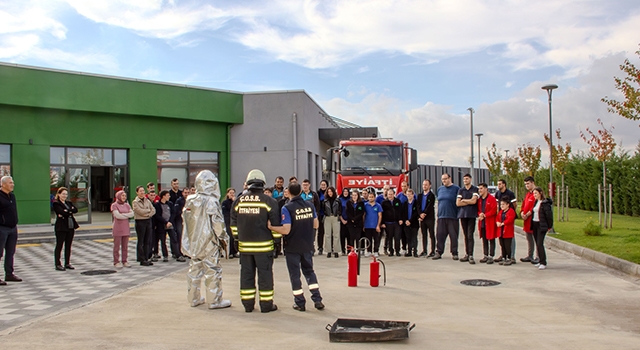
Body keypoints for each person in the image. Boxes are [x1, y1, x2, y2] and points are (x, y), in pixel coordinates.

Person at [230, 169, 281, 313]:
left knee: (246, 275)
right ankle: (266, 306)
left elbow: (233, 223)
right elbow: (275, 224)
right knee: (265, 276)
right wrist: (277, 243)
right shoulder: (269, 201)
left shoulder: (238, 201)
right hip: (264, 248)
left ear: (248, 183)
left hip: (245, 248)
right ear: (263, 184)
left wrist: (236, 239)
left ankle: (248, 305)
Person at [270, 182, 325, 312]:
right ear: (301, 191)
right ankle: (317, 300)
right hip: (307, 245)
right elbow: (316, 225)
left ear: (288, 192)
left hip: (292, 247)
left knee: (295, 275)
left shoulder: (287, 208)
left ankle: (300, 302)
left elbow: (286, 230)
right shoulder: (310, 205)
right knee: (310, 272)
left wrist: (271, 227)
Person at [182, 170, 231, 309]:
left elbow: (186, 222)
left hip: (194, 242)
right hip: (209, 242)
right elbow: (218, 224)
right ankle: (214, 300)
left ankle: (193, 298)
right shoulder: (212, 201)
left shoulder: (190, 200)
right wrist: (224, 240)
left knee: (194, 270)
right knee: (213, 270)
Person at [433, 173, 460, 260]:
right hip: (441, 216)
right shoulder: (440, 189)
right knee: (440, 235)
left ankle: (454, 253)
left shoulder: (456, 189)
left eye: (445, 179)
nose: (444, 181)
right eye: (442, 179)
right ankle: (439, 252)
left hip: (452, 216)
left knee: (453, 236)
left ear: (450, 178)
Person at [0, 176, 21, 285]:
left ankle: (9, 274)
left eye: (12, 182)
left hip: (13, 228)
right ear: (3, 184)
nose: (12, 184)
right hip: (2, 228)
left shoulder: (12, 196)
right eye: (10, 183)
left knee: (11, 252)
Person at [52, 187, 79, 271]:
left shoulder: (68, 202)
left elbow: (75, 210)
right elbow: (61, 212)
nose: (65, 196)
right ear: (59, 194)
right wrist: (68, 211)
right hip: (61, 227)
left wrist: (67, 211)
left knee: (68, 245)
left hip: (70, 226)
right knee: (59, 245)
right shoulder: (56, 203)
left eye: (66, 194)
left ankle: (67, 263)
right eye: (63, 194)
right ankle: (57, 264)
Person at [154, 190, 184, 262]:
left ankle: (177, 254)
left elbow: (173, 213)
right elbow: (157, 215)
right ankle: (165, 255)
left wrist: (170, 221)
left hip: (170, 224)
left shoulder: (170, 204)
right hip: (162, 225)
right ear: (163, 196)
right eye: (167, 195)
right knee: (163, 240)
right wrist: (165, 222)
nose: (169, 197)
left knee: (174, 239)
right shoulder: (157, 205)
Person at [456, 173, 479, 264]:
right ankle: (466, 254)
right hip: (463, 215)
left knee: (470, 235)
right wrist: (468, 201)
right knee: (465, 235)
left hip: (471, 215)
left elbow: (474, 201)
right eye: (464, 179)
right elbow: (458, 203)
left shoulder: (475, 189)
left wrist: (464, 200)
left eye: (467, 179)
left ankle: (471, 255)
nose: (465, 180)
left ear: (470, 179)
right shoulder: (461, 190)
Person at [494, 179, 517, 261]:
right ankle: (503, 255)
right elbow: (497, 205)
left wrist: (510, 212)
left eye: (500, 184)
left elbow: (514, 204)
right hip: (501, 215)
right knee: (502, 239)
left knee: (510, 238)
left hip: (508, 215)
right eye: (498, 184)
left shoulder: (510, 193)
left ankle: (511, 255)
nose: (498, 185)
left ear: (504, 184)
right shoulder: (498, 193)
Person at [133, 185, 156, 266]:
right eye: (140, 191)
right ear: (137, 192)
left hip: (148, 221)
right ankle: (141, 259)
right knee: (141, 241)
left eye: (143, 191)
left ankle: (146, 258)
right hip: (140, 222)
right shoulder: (135, 202)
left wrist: (148, 214)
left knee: (147, 240)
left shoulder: (147, 200)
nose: (142, 192)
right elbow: (139, 211)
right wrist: (148, 212)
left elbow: (153, 210)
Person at [531, 187, 553, 270]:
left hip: (541, 225)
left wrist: (549, 226)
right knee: (537, 243)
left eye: (536, 193)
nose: (534, 195)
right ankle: (540, 260)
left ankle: (543, 262)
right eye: (533, 193)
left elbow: (549, 216)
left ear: (540, 193)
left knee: (540, 243)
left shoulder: (545, 203)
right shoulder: (536, 202)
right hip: (535, 224)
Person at [111, 190, 133, 268]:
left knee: (125, 246)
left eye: (125, 196)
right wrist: (126, 215)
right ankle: (116, 261)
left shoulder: (127, 205)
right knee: (117, 246)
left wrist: (123, 214)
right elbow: (117, 216)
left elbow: (132, 214)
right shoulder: (114, 205)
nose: (124, 197)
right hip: (117, 228)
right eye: (122, 196)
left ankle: (125, 261)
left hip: (125, 227)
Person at [476, 183, 498, 264]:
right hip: (482, 222)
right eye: (479, 189)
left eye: (481, 188)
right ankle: (485, 255)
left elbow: (493, 210)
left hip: (490, 222)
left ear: (486, 189)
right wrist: (480, 214)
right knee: (484, 239)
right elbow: (478, 209)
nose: (480, 190)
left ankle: (491, 256)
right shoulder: (479, 200)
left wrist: (485, 215)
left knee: (491, 239)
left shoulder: (492, 199)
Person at [518, 176, 538, 264]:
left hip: (534, 220)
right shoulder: (528, 194)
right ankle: (530, 255)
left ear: (533, 183)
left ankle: (538, 256)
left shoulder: (536, 193)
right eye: (525, 184)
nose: (527, 185)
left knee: (537, 239)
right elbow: (523, 205)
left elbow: (535, 206)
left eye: (528, 183)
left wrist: (528, 214)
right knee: (529, 239)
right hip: (526, 221)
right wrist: (522, 212)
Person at [417, 179, 436, 257]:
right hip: (422, 218)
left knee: (431, 234)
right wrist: (420, 214)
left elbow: (430, 206)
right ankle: (424, 250)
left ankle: (433, 251)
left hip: (429, 218)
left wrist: (424, 214)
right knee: (423, 234)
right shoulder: (420, 195)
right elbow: (418, 206)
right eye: (423, 184)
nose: (424, 186)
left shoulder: (432, 195)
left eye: (426, 185)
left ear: (429, 185)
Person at [381, 188, 402, 256]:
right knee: (389, 237)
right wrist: (382, 223)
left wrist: (400, 219)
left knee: (397, 237)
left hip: (396, 223)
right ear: (387, 195)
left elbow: (400, 211)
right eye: (389, 194)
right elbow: (382, 214)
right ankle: (391, 251)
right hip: (388, 223)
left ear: (394, 194)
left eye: (391, 194)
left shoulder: (397, 201)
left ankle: (397, 251)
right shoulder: (384, 203)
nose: (390, 196)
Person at [322, 187, 342, 258]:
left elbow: (340, 209)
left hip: (335, 217)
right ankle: (328, 251)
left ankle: (336, 251)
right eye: (328, 192)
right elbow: (323, 209)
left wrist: (338, 213)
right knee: (327, 235)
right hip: (327, 217)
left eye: (331, 191)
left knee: (336, 234)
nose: (330, 193)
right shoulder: (325, 201)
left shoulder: (338, 201)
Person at [496, 197, 516, 266]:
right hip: (501, 232)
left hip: (507, 232)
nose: (502, 206)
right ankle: (504, 257)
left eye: (503, 204)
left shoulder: (511, 211)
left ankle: (509, 258)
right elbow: (497, 218)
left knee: (508, 245)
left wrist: (503, 223)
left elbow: (510, 219)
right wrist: (498, 222)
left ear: (508, 205)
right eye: (501, 204)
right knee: (502, 245)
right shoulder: (501, 212)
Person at [363, 191, 382, 257]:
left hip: (375, 226)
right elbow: (364, 215)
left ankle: (376, 251)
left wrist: (378, 225)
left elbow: (380, 216)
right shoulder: (365, 205)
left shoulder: (378, 205)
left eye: (372, 197)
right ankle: (369, 251)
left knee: (376, 239)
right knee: (368, 239)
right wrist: (363, 225)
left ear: (374, 197)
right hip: (367, 225)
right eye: (369, 197)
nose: (370, 198)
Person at [402, 189, 420, 257]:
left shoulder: (416, 203)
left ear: (413, 195)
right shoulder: (404, 203)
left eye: (410, 194)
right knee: (408, 238)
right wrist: (406, 220)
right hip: (406, 223)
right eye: (407, 194)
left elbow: (416, 213)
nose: (409, 196)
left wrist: (410, 221)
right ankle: (409, 251)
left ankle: (415, 251)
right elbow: (403, 213)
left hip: (414, 223)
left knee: (414, 238)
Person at [173, 187, 190, 259]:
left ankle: (187, 251)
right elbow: (176, 211)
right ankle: (179, 251)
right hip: (179, 220)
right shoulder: (179, 200)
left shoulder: (191, 200)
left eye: (187, 193)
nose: (186, 194)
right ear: (182, 193)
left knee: (187, 236)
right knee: (180, 235)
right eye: (185, 193)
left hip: (188, 220)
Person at [221, 188, 237, 258]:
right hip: (228, 220)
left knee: (234, 236)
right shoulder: (225, 203)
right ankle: (230, 252)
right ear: (227, 194)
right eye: (230, 193)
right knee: (229, 236)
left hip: (234, 221)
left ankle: (234, 252)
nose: (232, 194)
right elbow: (227, 212)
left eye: (233, 193)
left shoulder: (236, 202)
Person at [316, 180, 328, 257]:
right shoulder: (317, 193)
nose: (323, 186)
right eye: (322, 185)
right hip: (320, 215)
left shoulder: (329, 192)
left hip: (328, 215)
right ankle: (320, 248)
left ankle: (330, 248)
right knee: (320, 232)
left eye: (324, 185)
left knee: (329, 232)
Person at [338, 187, 351, 256]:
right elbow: (339, 210)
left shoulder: (351, 200)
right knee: (342, 236)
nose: (345, 192)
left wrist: (348, 219)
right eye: (344, 191)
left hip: (349, 220)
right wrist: (342, 219)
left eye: (347, 191)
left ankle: (349, 250)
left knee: (349, 236)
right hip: (342, 220)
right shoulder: (339, 200)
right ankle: (343, 250)